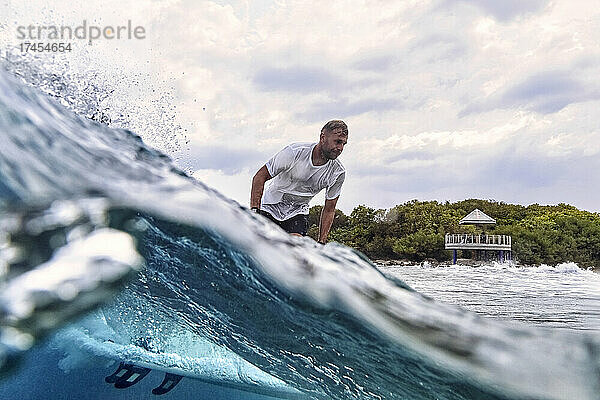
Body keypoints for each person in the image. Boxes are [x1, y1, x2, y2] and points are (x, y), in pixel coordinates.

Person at [250, 120, 348, 244]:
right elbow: (260, 176)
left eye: (344, 144)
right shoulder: (295, 151)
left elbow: (330, 209)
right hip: (270, 206)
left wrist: (321, 242)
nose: (340, 148)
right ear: (323, 137)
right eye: (337, 142)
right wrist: (254, 214)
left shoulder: (338, 172)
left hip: (298, 212)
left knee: (295, 247)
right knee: (260, 244)